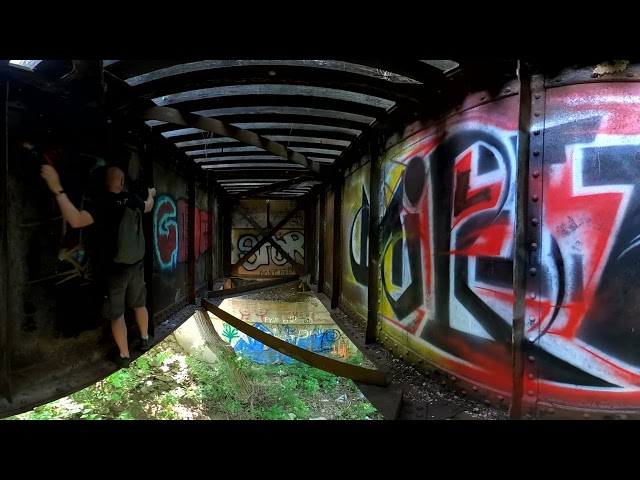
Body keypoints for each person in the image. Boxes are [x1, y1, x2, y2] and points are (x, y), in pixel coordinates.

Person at [40, 163, 157, 368]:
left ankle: (124, 355)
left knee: (117, 313)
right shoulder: (132, 199)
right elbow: (148, 206)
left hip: (115, 270)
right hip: (136, 264)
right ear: (121, 182)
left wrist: (56, 188)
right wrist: (152, 194)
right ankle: (145, 339)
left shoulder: (102, 204)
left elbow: (75, 220)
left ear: (103, 183)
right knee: (140, 303)